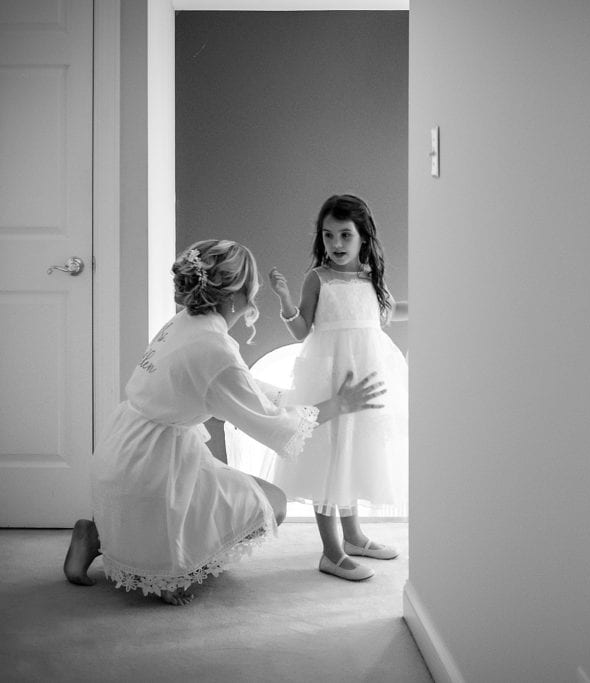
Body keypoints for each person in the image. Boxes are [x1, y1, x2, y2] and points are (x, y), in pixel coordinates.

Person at [62, 239, 385, 605]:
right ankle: (171, 569)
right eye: (254, 290)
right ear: (236, 296)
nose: (256, 298)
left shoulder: (185, 321)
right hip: (152, 470)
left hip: (119, 454)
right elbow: (278, 427)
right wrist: (338, 404)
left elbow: (236, 385)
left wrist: (294, 395)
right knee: (272, 505)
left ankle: (97, 534)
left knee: (219, 493)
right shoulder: (215, 348)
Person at [268, 194, 408, 581]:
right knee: (328, 457)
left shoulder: (370, 278)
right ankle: (330, 552)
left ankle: (354, 536)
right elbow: (301, 331)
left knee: (353, 453)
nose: (337, 244)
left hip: (365, 377)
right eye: (329, 236)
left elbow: (380, 320)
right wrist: (284, 301)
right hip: (327, 377)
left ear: (363, 237)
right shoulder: (318, 278)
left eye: (345, 235)